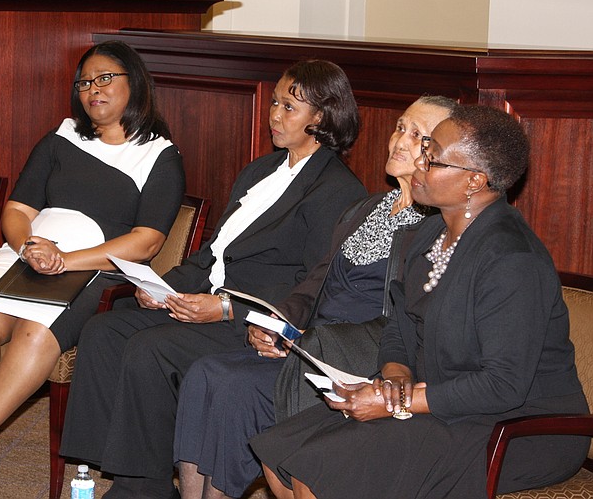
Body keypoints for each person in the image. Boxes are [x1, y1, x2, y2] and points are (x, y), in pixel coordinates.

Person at [60, 59, 369, 499]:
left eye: (288, 107)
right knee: (105, 330)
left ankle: (138, 489)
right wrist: (161, 286)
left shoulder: (337, 191)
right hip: (207, 300)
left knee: (152, 348)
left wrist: (228, 308)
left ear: (320, 117)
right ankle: (131, 477)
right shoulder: (261, 171)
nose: (274, 115)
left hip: (258, 325)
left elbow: (313, 287)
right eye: (275, 103)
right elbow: (213, 254)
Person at [250, 104, 590, 499]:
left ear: (474, 182)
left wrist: (399, 402)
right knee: (280, 452)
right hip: (445, 403)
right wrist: (395, 375)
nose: (420, 163)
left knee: (323, 469)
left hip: (521, 426)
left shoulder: (511, 260)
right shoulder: (428, 236)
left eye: (433, 157)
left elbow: (503, 385)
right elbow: (400, 323)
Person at [0, 40, 185, 496]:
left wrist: (66, 260)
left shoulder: (160, 155)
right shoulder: (61, 136)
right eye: (85, 82)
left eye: (105, 78)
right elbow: (17, 209)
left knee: (32, 334)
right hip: (30, 249)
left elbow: (148, 242)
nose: (92, 90)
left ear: (135, 84)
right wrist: (28, 246)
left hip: (97, 264)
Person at [172, 95, 457, 499]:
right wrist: (277, 323)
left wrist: (310, 342)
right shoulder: (368, 208)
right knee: (205, 373)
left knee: (234, 386)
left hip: (360, 357)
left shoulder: (436, 227)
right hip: (310, 343)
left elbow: (406, 325)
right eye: (399, 127)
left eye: (417, 135)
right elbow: (315, 282)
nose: (400, 141)